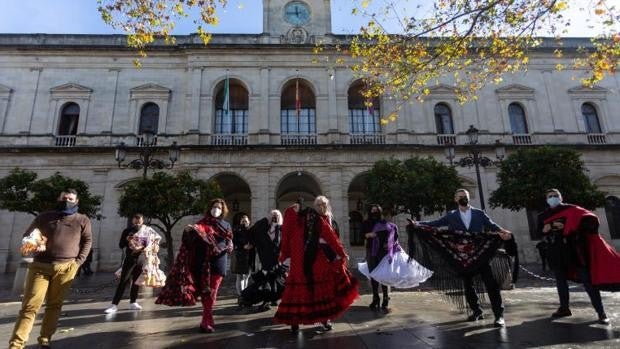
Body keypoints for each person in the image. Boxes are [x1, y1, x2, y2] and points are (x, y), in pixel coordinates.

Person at [411, 188, 512, 327]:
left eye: (465, 196)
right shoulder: (451, 215)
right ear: (455, 199)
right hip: (462, 257)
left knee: (491, 284)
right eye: (460, 197)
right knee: (468, 285)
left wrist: (503, 232)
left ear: (469, 198)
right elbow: (435, 223)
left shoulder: (479, 213)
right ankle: (477, 311)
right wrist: (417, 224)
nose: (463, 198)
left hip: (480, 254)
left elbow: (492, 225)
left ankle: (499, 315)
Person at [9, 189, 92, 349]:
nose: (67, 200)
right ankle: (16, 344)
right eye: (64, 198)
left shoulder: (82, 219)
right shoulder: (44, 217)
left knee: (54, 305)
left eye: (70, 198)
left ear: (77, 201)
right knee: (30, 306)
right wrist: (34, 243)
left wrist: (78, 262)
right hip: (40, 266)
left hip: (66, 268)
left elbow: (87, 241)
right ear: (59, 198)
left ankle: (45, 338)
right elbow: (27, 235)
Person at [274, 196, 359, 333]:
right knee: (307, 291)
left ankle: (319, 320)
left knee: (312, 291)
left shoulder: (312, 218)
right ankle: (297, 323)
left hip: (313, 260)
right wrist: (284, 254)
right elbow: (286, 236)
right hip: (301, 261)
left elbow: (330, 236)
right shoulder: (295, 217)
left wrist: (342, 253)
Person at [538, 188, 620, 325]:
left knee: (588, 282)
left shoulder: (573, 209)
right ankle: (564, 308)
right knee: (560, 282)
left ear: (561, 197)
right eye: (550, 196)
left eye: (555, 195)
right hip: (556, 251)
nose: (553, 198)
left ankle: (601, 312)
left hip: (575, 250)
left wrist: (569, 226)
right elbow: (539, 232)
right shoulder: (543, 215)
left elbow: (590, 222)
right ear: (546, 199)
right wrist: (545, 229)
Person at [155, 198, 233, 333]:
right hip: (202, 263)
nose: (216, 209)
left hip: (219, 262)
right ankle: (207, 319)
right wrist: (189, 230)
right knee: (205, 293)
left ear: (223, 210)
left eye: (219, 208)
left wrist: (230, 245)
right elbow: (194, 237)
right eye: (214, 207)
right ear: (209, 208)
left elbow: (230, 241)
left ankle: (205, 320)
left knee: (212, 292)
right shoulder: (201, 223)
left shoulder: (226, 225)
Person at [104, 214, 146, 314]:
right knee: (123, 281)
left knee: (136, 282)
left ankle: (133, 302)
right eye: (135, 221)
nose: (137, 224)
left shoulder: (146, 231)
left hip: (140, 259)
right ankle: (114, 304)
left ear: (142, 221)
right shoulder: (127, 231)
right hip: (129, 259)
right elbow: (121, 245)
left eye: (139, 222)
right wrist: (127, 240)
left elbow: (148, 245)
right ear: (132, 221)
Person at [363, 204, 395, 312]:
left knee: (383, 274)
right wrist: (369, 235)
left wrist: (388, 243)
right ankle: (375, 297)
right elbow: (362, 234)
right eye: (372, 210)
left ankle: (385, 298)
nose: (374, 212)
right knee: (373, 274)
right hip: (371, 251)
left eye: (376, 210)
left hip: (382, 251)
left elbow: (391, 234)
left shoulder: (384, 223)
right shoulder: (366, 223)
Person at [248, 209, 283, 309]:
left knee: (274, 279)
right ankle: (268, 300)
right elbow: (253, 233)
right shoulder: (263, 227)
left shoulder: (281, 229)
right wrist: (252, 244)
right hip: (265, 256)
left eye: (277, 215)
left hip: (276, 258)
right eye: (273, 215)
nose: (274, 217)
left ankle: (272, 299)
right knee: (267, 278)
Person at [231, 213, 254, 296]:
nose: (244, 222)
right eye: (242, 221)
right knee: (240, 276)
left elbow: (254, 241)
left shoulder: (251, 231)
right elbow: (234, 242)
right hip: (240, 255)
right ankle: (241, 295)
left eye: (246, 221)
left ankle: (245, 293)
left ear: (249, 222)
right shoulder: (236, 231)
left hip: (250, 255)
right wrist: (243, 246)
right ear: (240, 222)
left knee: (247, 276)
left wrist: (252, 245)